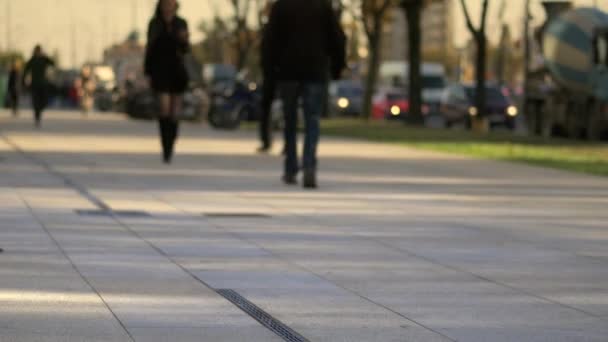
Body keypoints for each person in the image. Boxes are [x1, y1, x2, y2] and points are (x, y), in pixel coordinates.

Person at [265, 0, 346, 189]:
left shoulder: (281, 6)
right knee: (312, 120)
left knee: (290, 120)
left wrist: (271, 71)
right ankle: (309, 165)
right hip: (314, 70)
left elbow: (270, 41)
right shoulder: (322, 6)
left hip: (288, 71)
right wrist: (337, 67)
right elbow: (337, 37)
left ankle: (290, 168)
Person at [144, 0, 190, 164]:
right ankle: (166, 146)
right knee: (164, 108)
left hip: (176, 70)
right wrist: (147, 72)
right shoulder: (155, 24)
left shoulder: (181, 23)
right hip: (160, 70)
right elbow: (149, 48)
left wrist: (183, 39)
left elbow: (186, 49)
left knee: (175, 112)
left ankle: (172, 138)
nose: (168, 6)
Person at [257, 3, 275, 153]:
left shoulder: (278, 28)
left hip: (281, 73)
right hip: (269, 73)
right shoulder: (265, 28)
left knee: (287, 109)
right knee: (266, 107)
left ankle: (288, 144)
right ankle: (265, 140)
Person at [23, 45, 55, 128]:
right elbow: (25, 70)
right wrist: (24, 83)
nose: (38, 52)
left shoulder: (43, 59)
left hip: (43, 84)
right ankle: (37, 118)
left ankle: (39, 112)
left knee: (44, 101)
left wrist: (45, 55)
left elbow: (52, 63)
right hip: (34, 85)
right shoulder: (32, 60)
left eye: (39, 51)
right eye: (37, 51)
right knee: (36, 102)